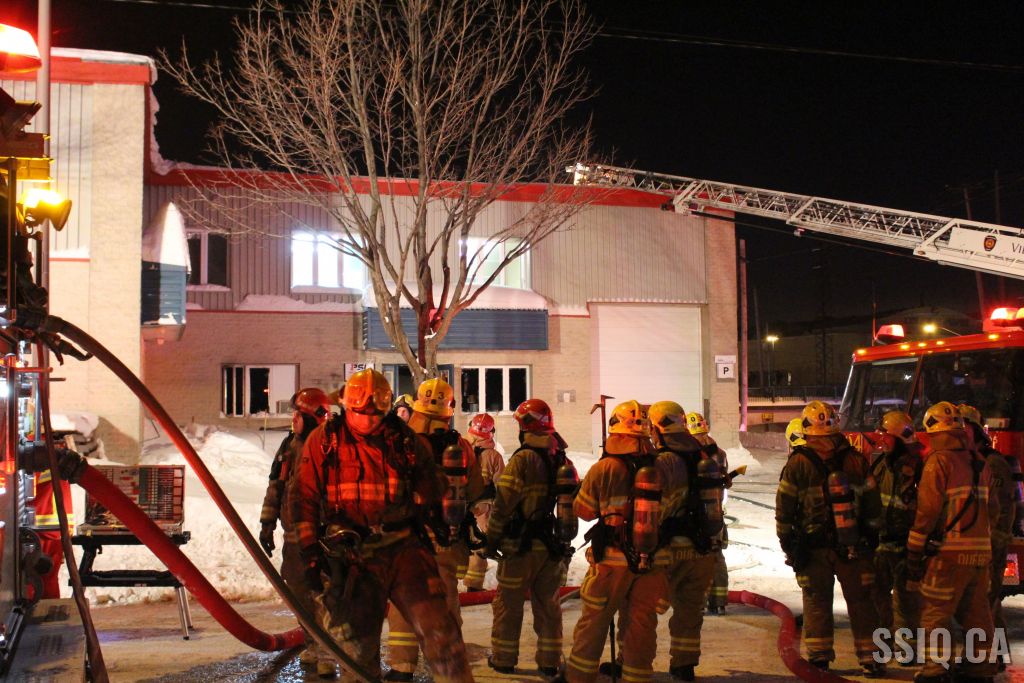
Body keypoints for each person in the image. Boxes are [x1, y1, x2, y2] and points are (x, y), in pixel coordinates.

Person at [290, 369, 472, 683]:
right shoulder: (324, 440)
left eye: (376, 414)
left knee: (442, 633)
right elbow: (303, 497)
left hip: (404, 548)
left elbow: (431, 486)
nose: (369, 420)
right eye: (361, 413)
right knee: (357, 655)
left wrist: (439, 505)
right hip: (353, 556)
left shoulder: (403, 439)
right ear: (347, 406)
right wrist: (309, 552)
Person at [775, 400, 885, 676]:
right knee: (862, 602)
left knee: (816, 601)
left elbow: (785, 509)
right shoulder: (856, 460)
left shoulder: (798, 463)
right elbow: (873, 504)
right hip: (854, 546)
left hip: (813, 549)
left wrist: (787, 544)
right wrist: (870, 538)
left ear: (807, 429)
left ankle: (819, 658)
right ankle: (871, 659)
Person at [385, 377, 484, 682]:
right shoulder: (461, 446)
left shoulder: (403, 441)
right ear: (448, 409)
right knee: (446, 600)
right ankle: (449, 667)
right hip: (447, 537)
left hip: (409, 536)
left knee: (404, 600)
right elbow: (476, 490)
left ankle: (402, 667)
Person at [564, 400, 668, 683]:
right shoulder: (662, 465)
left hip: (612, 561)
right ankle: (636, 676)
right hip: (652, 557)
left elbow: (584, 511)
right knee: (641, 622)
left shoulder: (605, 467)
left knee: (594, 621)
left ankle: (579, 677)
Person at [906, 401, 1000, 683]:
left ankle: (935, 669)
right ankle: (981, 668)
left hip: (947, 554)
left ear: (932, 430)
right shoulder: (980, 462)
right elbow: (993, 510)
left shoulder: (938, 462)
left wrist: (914, 550)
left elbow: (927, 512)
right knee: (977, 613)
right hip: (980, 554)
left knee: (935, 611)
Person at [484, 399, 573, 676]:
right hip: (551, 547)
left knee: (508, 604)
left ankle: (504, 659)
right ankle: (549, 662)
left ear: (525, 427)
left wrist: (492, 539)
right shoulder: (561, 459)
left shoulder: (522, 460)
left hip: (519, 547)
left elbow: (503, 504)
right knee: (548, 606)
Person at [650, 401, 724, 681]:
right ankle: (684, 665)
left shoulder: (662, 461)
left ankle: (630, 660)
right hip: (702, 548)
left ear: (657, 428)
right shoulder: (704, 455)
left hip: (669, 550)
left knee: (643, 608)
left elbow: (658, 507)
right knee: (690, 610)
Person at [259, 388, 332, 673]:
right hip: (293, 538)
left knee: (324, 595)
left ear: (313, 417)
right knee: (299, 593)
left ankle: (328, 653)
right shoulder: (289, 445)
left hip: (323, 538)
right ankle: (313, 644)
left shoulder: (330, 447)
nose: (293, 419)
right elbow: (276, 486)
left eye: (298, 414)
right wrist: (267, 523)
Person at [959, 403, 1014, 672]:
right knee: (985, 602)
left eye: (964, 427)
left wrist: (994, 541)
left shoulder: (993, 464)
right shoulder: (969, 462)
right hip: (978, 543)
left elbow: (1001, 510)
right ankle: (996, 654)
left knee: (985, 601)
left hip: (992, 543)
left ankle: (985, 658)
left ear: (977, 431)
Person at [867, 411, 924, 644]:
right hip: (881, 543)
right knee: (876, 595)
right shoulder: (881, 463)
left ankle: (907, 649)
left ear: (900, 439)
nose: (882, 440)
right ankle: (884, 643)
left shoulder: (920, 467)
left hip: (907, 546)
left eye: (886, 436)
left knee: (906, 602)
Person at [684, 412, 731, 615]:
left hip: (695, 513)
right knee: (716, 554)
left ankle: (699, 602)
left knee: (697, 558)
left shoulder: (689, 453)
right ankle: (719, 602)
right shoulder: (720, 453)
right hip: (716, 512)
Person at [463, 413, 506, 592]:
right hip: (484, 507)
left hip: (462, 506)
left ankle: (461, 580)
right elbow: (502, 485)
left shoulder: (461, 450)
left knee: (467, 541)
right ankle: (475, 585)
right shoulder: (493, 456)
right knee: (484, 543)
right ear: (491, 432)